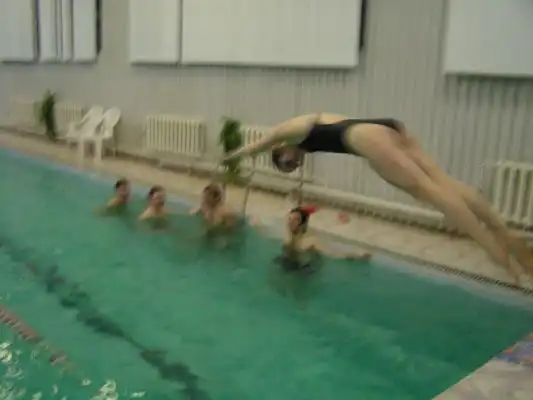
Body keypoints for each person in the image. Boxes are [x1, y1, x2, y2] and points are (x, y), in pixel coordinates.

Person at [223, 113, 533, 283]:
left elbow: (257, 145)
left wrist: (232, 156)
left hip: (364, 139)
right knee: (443, 182)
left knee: (432, 192)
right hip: (386, 127)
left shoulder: (286, 132)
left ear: (281, 151)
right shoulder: (310, 125)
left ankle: (496, 250)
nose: (294, 164)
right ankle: (507, 235)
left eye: (288, 163)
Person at [279, 205, 371, 271]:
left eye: (296, 220)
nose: (290, 222)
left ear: (302, 224)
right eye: (290, 219)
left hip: (306, 269)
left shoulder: (309, 241)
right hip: (292, 262)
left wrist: (358, 255)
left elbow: (332, 253)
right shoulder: (288, 235)